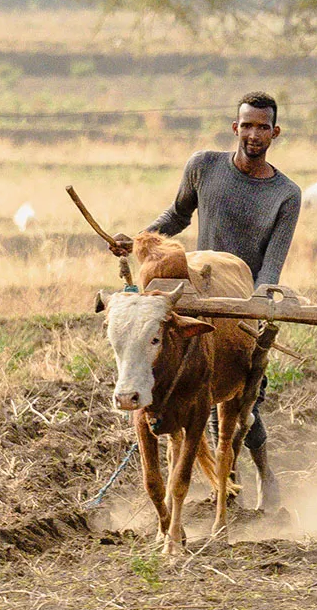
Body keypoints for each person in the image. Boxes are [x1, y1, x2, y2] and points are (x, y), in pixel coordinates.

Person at [112, 91, 301, 511]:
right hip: (194, 288)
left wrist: (256, 307)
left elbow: (273, 262)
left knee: (245, 400)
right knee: (172, 381)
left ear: (275, 132)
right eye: (247, 125)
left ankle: (260, 474)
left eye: (263, 127)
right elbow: (177, 216)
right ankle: (223, 488)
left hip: (241, 298)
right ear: (235, 128)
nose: (254, 134)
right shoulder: (204, 167)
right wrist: (138, 240)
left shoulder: (286, 194)